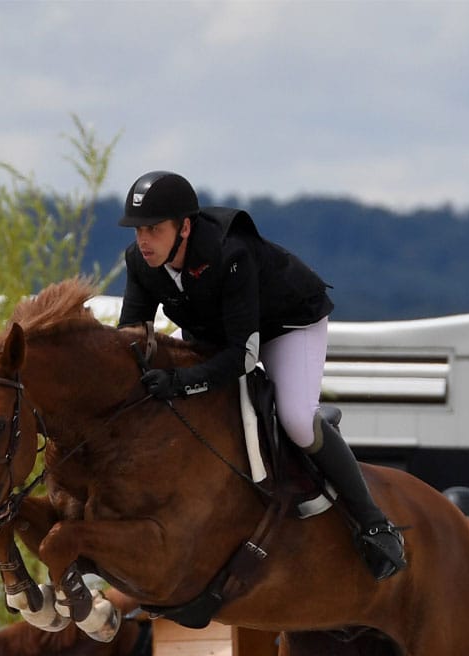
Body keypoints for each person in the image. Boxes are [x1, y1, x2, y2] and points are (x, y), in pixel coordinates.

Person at [116, 170, 406, 582]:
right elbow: (131, 337)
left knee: (296, 420)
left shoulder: (230, 253)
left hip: (286, 325)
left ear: (185, 227)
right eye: (139, 230)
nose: (144, 241)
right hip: (221, 331)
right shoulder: (140, 262)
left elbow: (243, 356)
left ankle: (375, 524)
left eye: (154, 229)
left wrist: (179, 382)